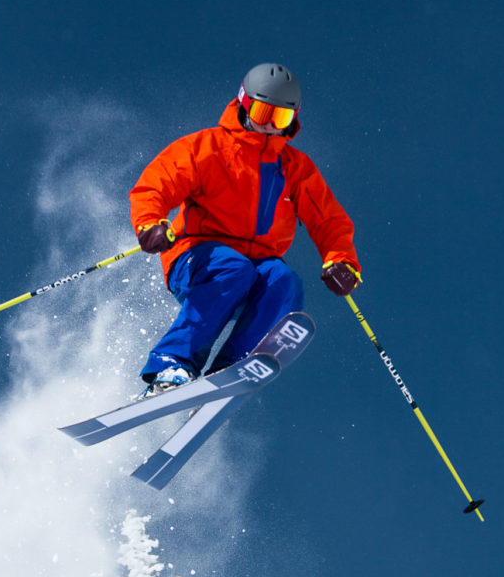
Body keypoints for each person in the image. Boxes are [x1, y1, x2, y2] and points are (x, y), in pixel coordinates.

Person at [129, 62, 361, 394]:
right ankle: (173, 364)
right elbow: (158, 182)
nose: (268, 125)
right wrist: (150, 222)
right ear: (243, 103)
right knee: (233, 269)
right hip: (197, 256)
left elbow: (328, 218)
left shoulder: (296, 168)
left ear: (292, 121)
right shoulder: (207, 147)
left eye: (279, 118)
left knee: (284, 281)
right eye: (263, 111)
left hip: (258, 264)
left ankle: (230, 371)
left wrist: (341, 260)